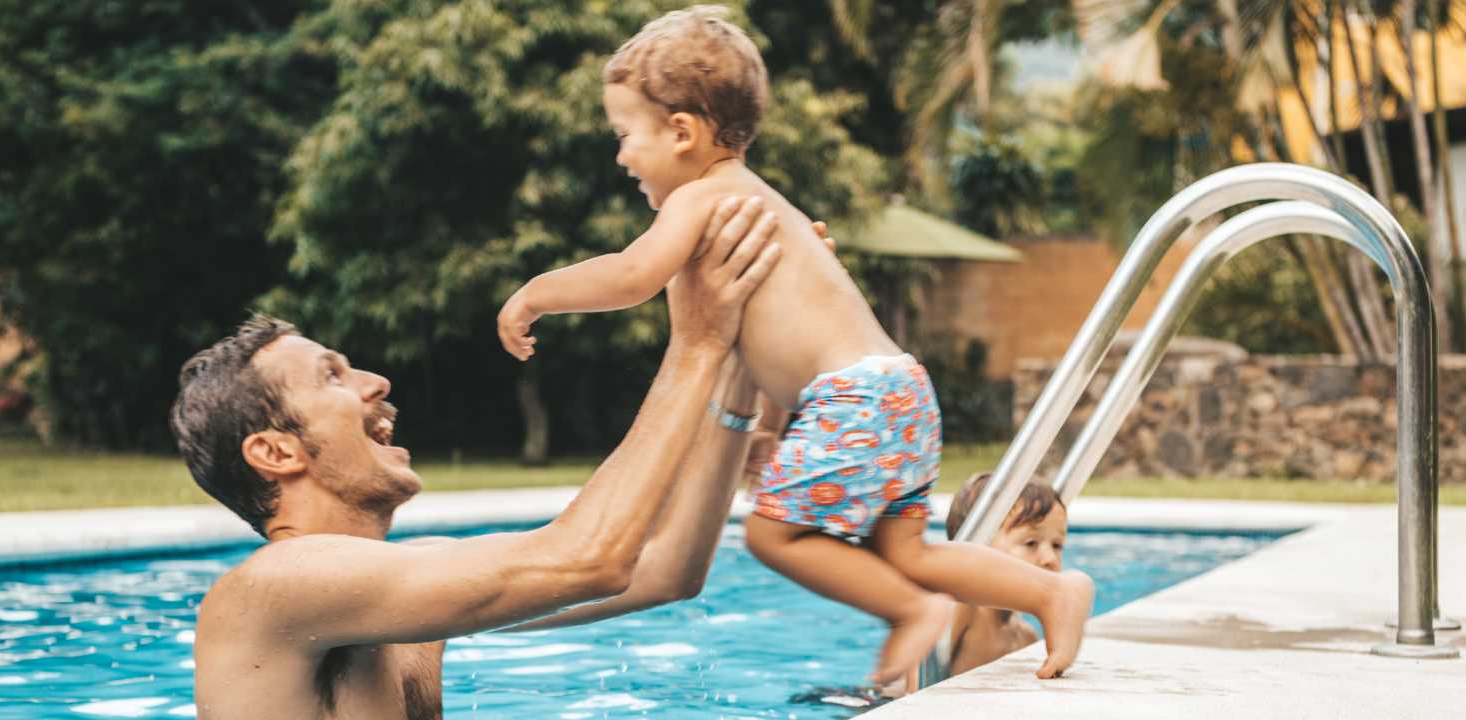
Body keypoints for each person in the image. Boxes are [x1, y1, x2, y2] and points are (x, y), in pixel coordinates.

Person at [492, 5, 1093, 683]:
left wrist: (537, 292)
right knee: (911, 550)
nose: (621, 154)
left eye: (626, 133)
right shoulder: (772, 209)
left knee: (771, 536)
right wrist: (772, 431)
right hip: (899, 390)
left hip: (853, 400)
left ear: (682, 131)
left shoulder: (705, 198)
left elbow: (631, 274)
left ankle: (912, 613)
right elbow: (778, 347)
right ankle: (1051, 592)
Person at [172, 200, 788, 720]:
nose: (377, 381)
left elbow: (666, 571)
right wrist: (698, 343)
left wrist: (734, 369)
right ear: (274, 452)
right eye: (332, 375)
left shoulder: (404, 580)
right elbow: (588, 560)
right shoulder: (267, 591)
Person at [941, 473, 1072, 677]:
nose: (1050, 558)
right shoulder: (959, 610)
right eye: (1030, 543)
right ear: (979, 549)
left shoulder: (1026, 637)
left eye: (1057, 545)